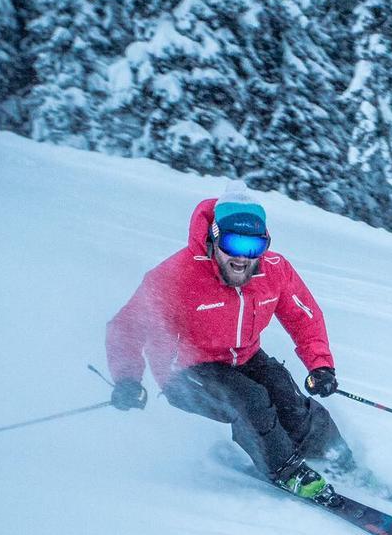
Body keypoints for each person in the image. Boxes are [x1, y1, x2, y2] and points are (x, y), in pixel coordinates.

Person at [105, 182, 353, 499]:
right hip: (185, 370)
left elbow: (304, 316)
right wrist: (127, 378)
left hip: (242, 356)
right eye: (234, 245)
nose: (242, 258)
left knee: (283, 389)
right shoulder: (176, 276)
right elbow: (127, 326)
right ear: (215, 237)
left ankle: (337, 459)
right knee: (249, 399)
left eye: (254, 248)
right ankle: (286, 470)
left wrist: (321, 367)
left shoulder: (274, 271)